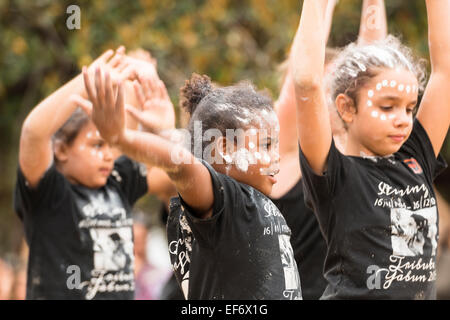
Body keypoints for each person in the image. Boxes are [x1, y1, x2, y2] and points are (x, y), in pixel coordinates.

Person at [81, 65, 302, 299]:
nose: (276, 155)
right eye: (266, 145)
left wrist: (164, 132)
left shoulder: (251, 201)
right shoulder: (227, 201)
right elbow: (184, 166)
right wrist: (122, 138)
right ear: (225, 149)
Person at [292, 0, 449, 299]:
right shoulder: (334, 172)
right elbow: (307, 83)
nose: (403, 120)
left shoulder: (415, 156)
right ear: (347, 108)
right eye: (388, 107)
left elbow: (446, 71)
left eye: (409, 108)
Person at [14, 47, 152, 299]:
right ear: (62, 149)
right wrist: (90, 81)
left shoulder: (117, 184)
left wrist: (135, 78)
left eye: (110, 146)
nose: (109, 155)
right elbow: (34, 133)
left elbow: (128, 132)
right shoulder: (49, 194)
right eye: (97, 145)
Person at [271, 0, 387, 299]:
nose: (331, 94)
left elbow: (374, 64)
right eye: (327, 83)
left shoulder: (356, 150)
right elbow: (298, 88)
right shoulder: (279, 154)